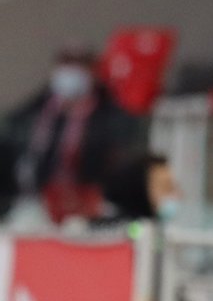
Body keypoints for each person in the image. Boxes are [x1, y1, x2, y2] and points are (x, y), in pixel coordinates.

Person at [11, 45, 135, 224]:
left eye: (78, 65)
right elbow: (14, 129)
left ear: (93, 71)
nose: (71, 72)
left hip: (89, 198)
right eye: (66, 63)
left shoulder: (107, 111)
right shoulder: (44, 106)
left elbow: (114, 155)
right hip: (41, 197)